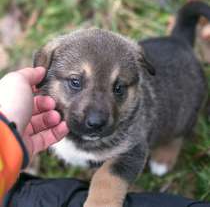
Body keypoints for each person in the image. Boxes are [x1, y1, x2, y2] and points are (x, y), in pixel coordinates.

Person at [0, 67, 209, 207]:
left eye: (117, 89)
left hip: (183, 89)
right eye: (75, 82)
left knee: (179, 119)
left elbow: (134, 148)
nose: (96, 115)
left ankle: (173, 142)